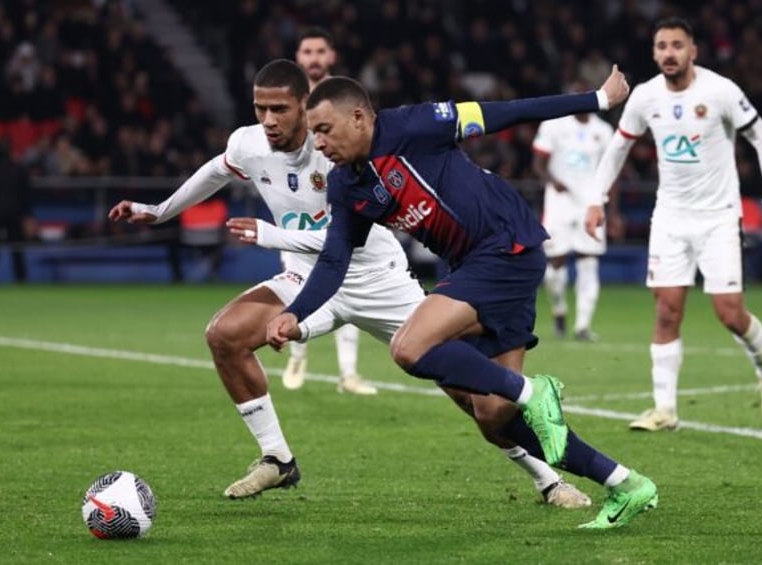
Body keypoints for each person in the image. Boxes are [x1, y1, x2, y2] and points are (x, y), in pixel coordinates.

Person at [110, 59, 589, 508]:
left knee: (473, 396)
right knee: (224, 335)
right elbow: (215, 171)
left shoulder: (338, 151)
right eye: (261, 108)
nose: (269, 119)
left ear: (305, 106)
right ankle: (278, 459)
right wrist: (159, 211)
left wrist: (272, 235)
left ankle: (549, 479)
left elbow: (341, 244)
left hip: (378, 277)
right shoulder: (248, 144)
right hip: (306, 280)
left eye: (280, 109)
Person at [267, 68, 659, 529]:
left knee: (410, 347)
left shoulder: (415, 125)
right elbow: (334, 261)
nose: (318, 143)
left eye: (324, 130)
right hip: (476, 267)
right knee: (493, 414)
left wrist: (595, 99)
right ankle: (625, 483)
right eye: (313, 133)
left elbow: (505, 114)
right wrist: (295, 313)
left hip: (504, 246)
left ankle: (537, 392)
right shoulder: (346, 185)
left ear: (359, 117)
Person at [584, 17, 762, 431]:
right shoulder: (645, 97)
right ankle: (665, 409)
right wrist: (596, 199)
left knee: (730, 314)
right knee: (666, 311)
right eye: (661, 46)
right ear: (654, 53)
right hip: (670, 218)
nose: (669, 53)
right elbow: (617, 149)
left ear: (693, 51)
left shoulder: (720, 91)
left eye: (677, 45)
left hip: (718, 218)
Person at [283, 25, 371, 394]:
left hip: (340, 198)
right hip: (297, 206)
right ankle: (297, 354)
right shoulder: (284, 98)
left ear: (331, 56)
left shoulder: (346, 96)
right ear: (298, 57)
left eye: (321, 51)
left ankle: (348, 373)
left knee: (347, 281)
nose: (314, 58)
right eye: (307, 52)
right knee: (300, 284)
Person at [532, 80, 618, 341]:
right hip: (559, 202)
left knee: (588, 262)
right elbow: (538, 163)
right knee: (555, 264)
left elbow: (612, 171)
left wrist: (612, 212)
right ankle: (559, 308)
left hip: (591, 202)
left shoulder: (603, 130)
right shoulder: (553, 124)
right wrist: (551, 180)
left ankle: (582, 326)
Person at [0, 139, 38, 282]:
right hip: (15, 214)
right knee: (17, 251)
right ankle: (21, 281)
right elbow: (27, 195)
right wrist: (28, 216)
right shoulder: (19, 168)